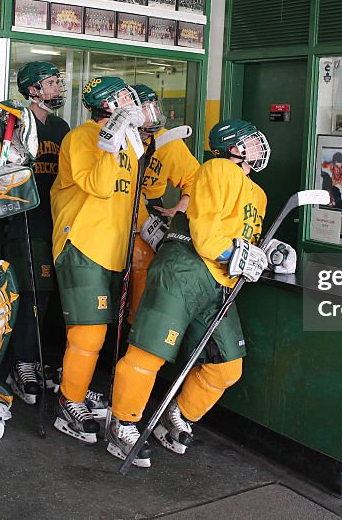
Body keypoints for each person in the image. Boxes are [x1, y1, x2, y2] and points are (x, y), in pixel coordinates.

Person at [107, 119, 296, 468]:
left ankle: (175, 415)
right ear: (232, 147)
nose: (258, 145)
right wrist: (234, 252)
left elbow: (243, 237)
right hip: (184, 270)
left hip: (220, 282)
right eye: (250, 141)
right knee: (149, 352)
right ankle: (122, 422)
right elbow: (209, 236)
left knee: (227, 368)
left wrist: (268, 252)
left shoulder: (258, 193)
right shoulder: (218, 169)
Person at [50, 76, 145, 444]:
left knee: (101, 334)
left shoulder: (131, 145)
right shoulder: (81, 137)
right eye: (123, 96)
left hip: (114, 250)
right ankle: (68, 400)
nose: (130, 100)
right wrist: (111, 142)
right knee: (88, 333)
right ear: (107, 103)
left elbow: (130, 199)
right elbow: (101, 187)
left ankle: (79, 384)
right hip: (82, 245)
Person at [2, 61, 71, 405]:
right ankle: (21, 363)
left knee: (46, 296)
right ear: (32, 89)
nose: (57, 87)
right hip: (21, 220)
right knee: (28, 294)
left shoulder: (61, 127)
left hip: (54, 221)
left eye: (58, 82)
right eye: (50, 83)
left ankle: (37, 357)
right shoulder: (15, 121)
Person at [128, 83, 199, 325]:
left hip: (148, 218)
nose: (152, 117)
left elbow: (196, 180)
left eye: (153, 109)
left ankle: (134, 337)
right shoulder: (116, 138)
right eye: (144, 111)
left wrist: (180, 208)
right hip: (114, 218)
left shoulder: (168, 141)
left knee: (143, 283)